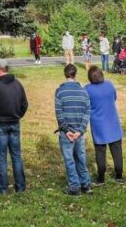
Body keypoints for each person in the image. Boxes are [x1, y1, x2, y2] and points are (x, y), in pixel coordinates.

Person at [0, 59, 28, 194]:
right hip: (14, 123)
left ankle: (2, 188)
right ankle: (20, 186)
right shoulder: (17, 84)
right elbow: (24, 104)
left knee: (1, 156)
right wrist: (17, 115)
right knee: (16, 155)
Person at [55, 63, 92, 195]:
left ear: (65, 75)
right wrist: (80, 131)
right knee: (81, 158)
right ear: (75, 74)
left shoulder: (60, 91)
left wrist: (66, 131)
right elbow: (87, 112)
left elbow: (59, 114)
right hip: (79, 132)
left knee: (69, 160)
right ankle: (86, 184)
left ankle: (74, 187)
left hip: (67, 133)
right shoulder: (83, 91)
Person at [85, 66, 123, 186]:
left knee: (100, 151)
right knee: (117, 150)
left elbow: (86, 105)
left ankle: (101, 178)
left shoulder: (87, 89)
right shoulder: (109, 85)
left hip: (98, 124)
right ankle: (119, 176)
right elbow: (114, 98)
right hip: (112, 121)